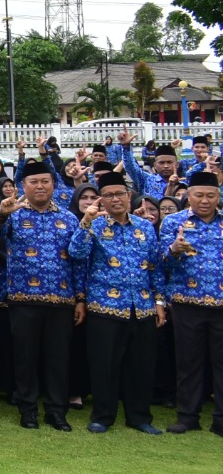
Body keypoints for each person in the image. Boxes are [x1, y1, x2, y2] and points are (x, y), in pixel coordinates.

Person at [69, 171, 166, 435]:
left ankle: (139, 417)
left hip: (142, 306)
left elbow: (155, 267)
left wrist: (159, 301)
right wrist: (86, 222)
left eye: (119, 194)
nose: (115, 199)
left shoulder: (144, 226)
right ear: (101, 199)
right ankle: (102, 415)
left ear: (129, 196)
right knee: (104, 365)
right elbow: (76, 254)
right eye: (108, 195)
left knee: (141, 365)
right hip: (105, 306)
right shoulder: (95, 225)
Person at [0, 158, 79, 431]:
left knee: (58, 359)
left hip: (61, 300)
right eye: (33, 182)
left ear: (53, 185)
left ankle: (56, 411)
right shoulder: (14, 214)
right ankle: (28, 410)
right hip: (23, 300)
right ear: (22, 186)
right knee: (25, 358)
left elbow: (78, 261)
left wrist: (81, 299)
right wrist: (2, 213)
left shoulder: (68, 218)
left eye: (45, 182)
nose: (40, 187)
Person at [159, 170, 223, 435]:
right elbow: (162, 262)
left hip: (221, 306)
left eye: (211, 195)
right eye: (199, 195)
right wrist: (174, 249)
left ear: (218, 196)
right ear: (189, 196)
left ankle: (220, 419)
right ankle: (187, 416)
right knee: (188, 363)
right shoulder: (174, 223)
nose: (205, 201)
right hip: (187, 304)